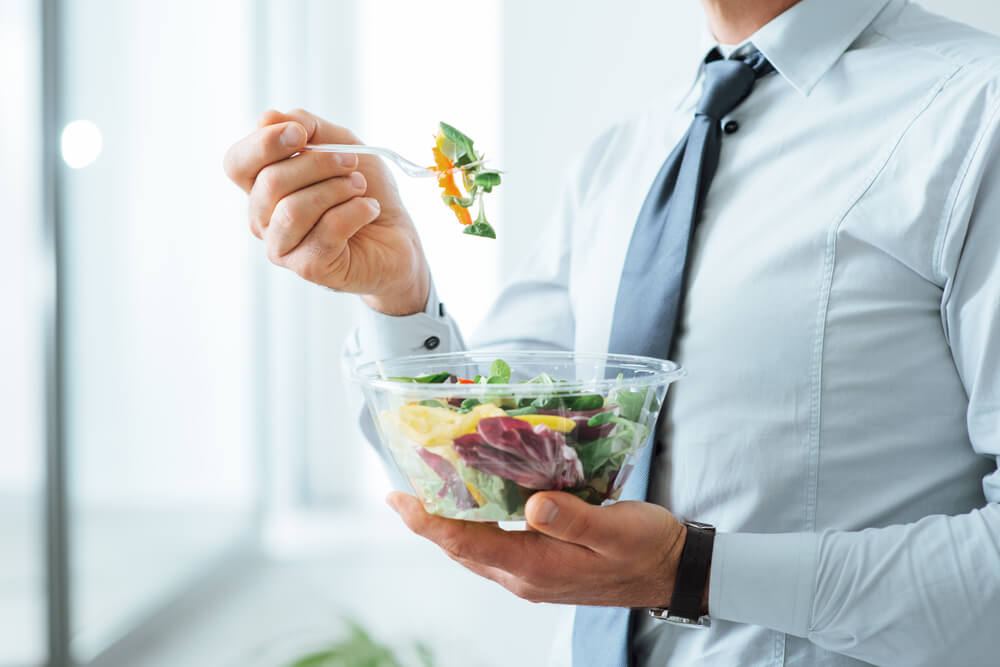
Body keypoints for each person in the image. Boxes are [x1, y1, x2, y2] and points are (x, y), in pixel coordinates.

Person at [223, 0, 1000, 664]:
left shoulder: (979, 113)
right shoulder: (626, 153)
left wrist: (690, 572)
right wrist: (398, 294)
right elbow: (490, 461)